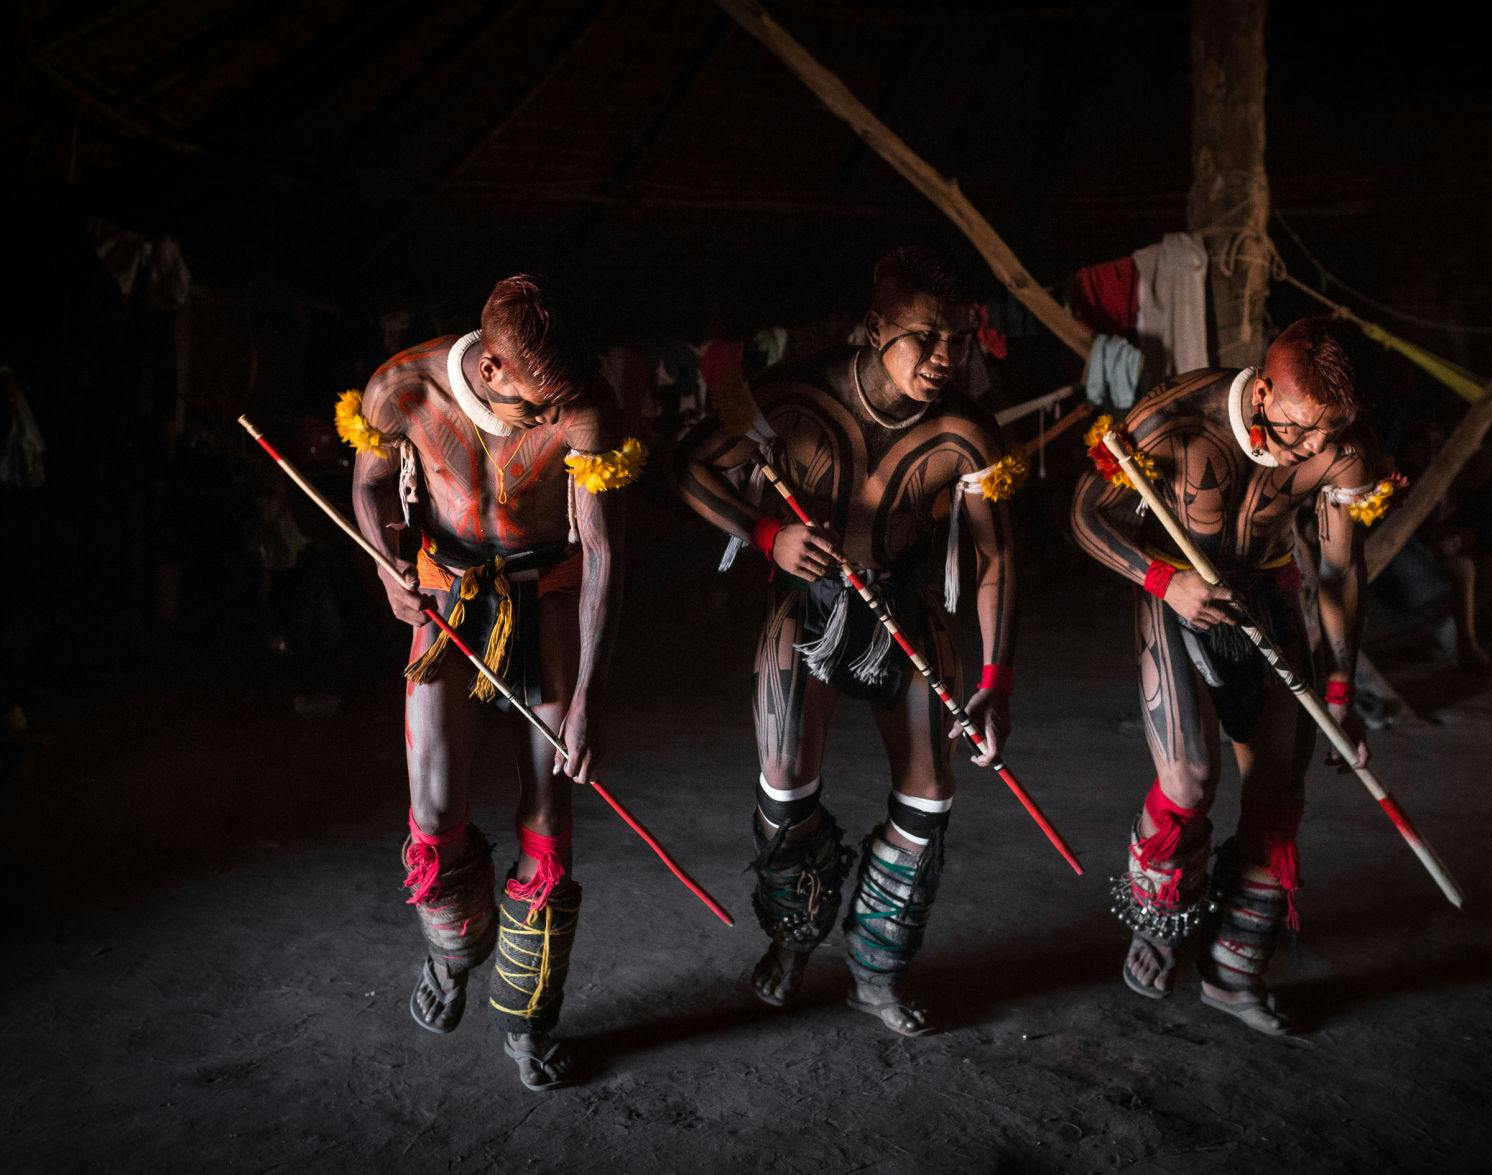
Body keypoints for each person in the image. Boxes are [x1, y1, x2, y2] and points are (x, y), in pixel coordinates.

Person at [675, 247, 1021, 1036]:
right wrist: (767, 534)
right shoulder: (791, 398)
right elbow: (689, 468)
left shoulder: (965, 434)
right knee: (783, 783)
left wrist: (996, 682)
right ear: (874, 327)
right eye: (924, 337)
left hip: (905, 600)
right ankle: (794, 934)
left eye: (958, 339)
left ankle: (876, 968)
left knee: (931, 794)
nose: (944, 357)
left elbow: (996, 557)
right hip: (810, 603)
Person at [345, 275, 643, 1090]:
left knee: (548, 810)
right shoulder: (403, 387)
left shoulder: (584, 407)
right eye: (540, 407)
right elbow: (370, 485)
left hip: (545, 596)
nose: (555, 422)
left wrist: (589, 697)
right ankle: (454, 954)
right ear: (491, 370)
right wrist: (386, 566)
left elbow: (603, 554)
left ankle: (527, 1013)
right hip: (445, 594)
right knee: (434, 810)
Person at [1070, 317, 1389, 1035]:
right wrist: (1164, 580)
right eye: (1298, 428)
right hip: (1175, 591)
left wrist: (1341, 692)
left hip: (1265, 595)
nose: (1313, 447)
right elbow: (1085, 516)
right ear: (1264, 391)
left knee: (1278, 789)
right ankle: (1159, 918)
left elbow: (1339, 570)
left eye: (1330, 431)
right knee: (1188, 776)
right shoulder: (1178, 417)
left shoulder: (1343, 450)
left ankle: (1234, 967)